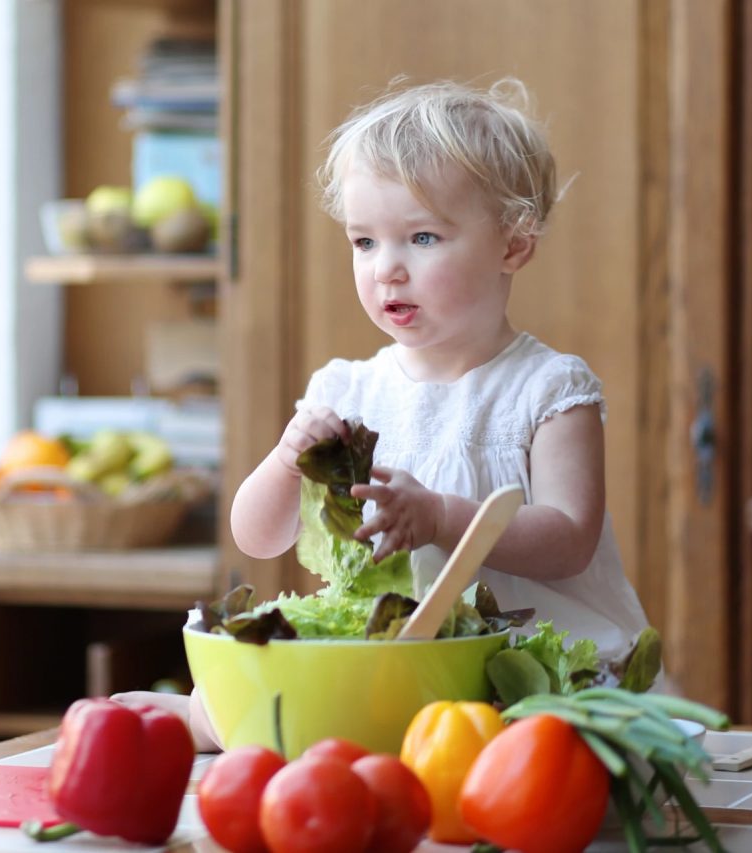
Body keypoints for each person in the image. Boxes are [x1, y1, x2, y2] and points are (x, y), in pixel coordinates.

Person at [118, 77, 650, 752]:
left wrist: (441, 518)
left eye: (422, 238)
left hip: (528, 669)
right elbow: (257, 535)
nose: (386, 270)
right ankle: (200, 716)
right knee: (275, 695)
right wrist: (289, 459)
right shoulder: (344, 389)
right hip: (401, 662)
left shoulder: (547, 388)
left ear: (514, 245)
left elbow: (570, 537)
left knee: (527, 742)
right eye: (364, 242)